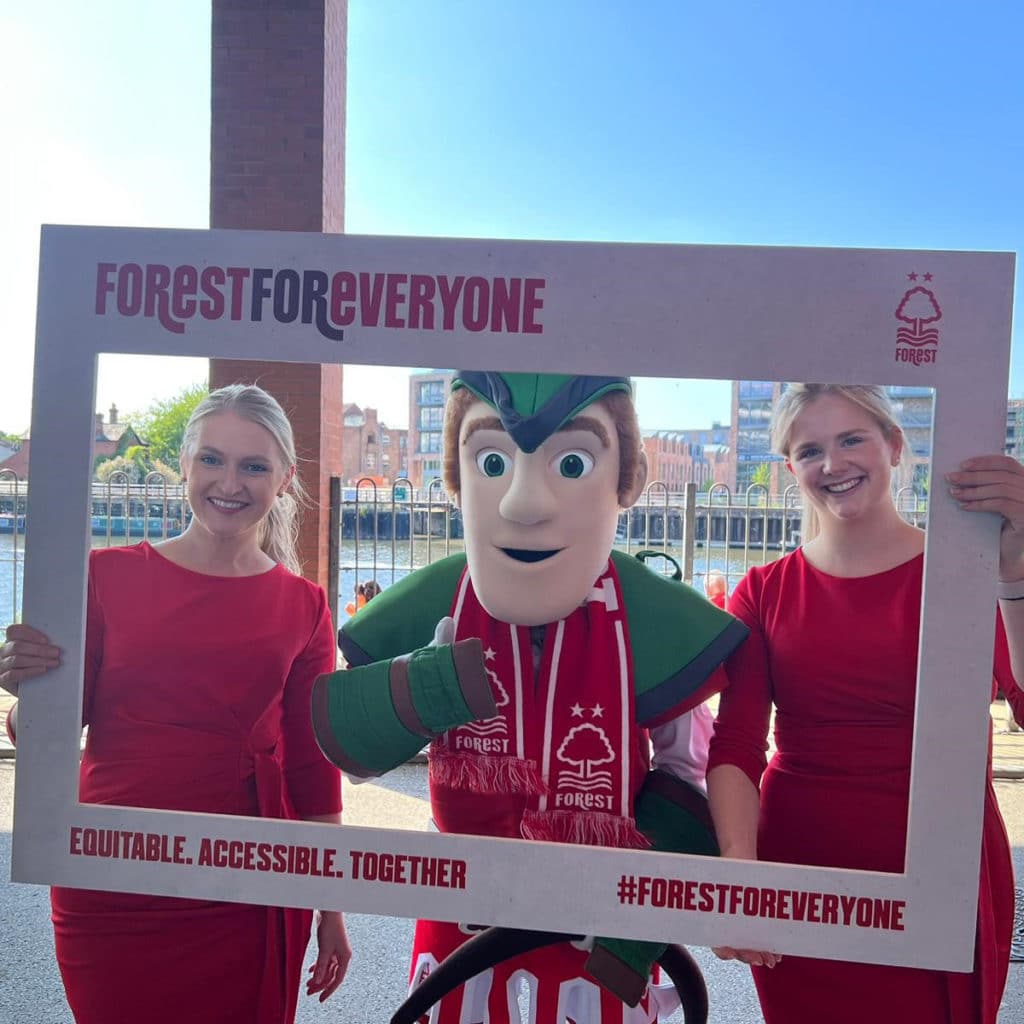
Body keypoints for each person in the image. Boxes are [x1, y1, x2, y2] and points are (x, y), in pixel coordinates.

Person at [311, 371, 749, 1023]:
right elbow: (355, 752)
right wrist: (425, 685)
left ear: (622, 478)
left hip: (599, 918)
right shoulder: (442, 599)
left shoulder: (647, 617)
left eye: (571, 462)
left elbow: (686, 774)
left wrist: (632, 929)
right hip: (461, 906)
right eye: (493, 461)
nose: (526, 502)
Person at [0, 384, 352, 1024]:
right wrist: (29, 689)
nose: (230, 481)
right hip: (110, 873)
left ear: (284, 480)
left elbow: (311, 767)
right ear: (185, 464)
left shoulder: (307, 606)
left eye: (254, 466)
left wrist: (330, 905)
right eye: (212, 459)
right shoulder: (104, 576)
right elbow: (42, 733)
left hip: (249, 877)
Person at [706, 383, 1024, 1024]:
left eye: (852, 438)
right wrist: (738, 875)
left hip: (945, 864)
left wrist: (1015, 573)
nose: (833, 463)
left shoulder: (964, 576)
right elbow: (736, 745)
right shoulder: (764, 590)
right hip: (803, 871)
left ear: (895, 445)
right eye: (810, 449)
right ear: (791, 468)